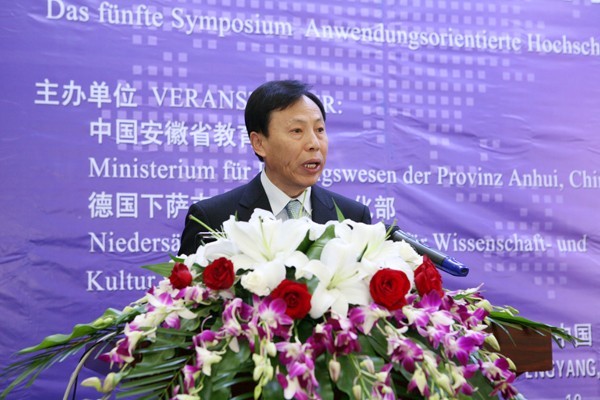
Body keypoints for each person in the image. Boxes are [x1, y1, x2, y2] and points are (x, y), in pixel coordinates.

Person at [178, 80, 371, 255]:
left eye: (319, 130)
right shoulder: (212, 219)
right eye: (297, 131)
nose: (314, 143)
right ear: (259, 143)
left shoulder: (353, 218)